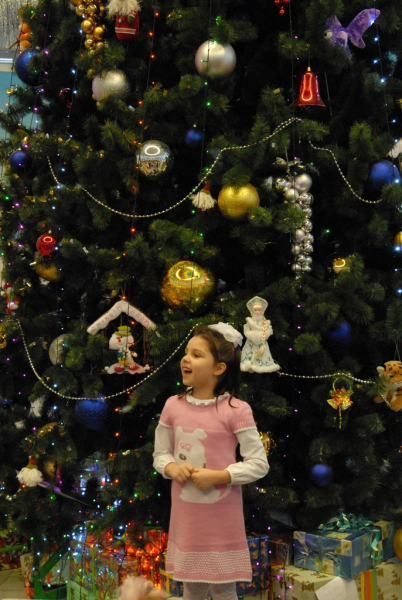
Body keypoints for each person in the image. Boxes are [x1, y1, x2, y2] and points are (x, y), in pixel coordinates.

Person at [153, 323, 269, 600]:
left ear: (219, 368)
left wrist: (219, 476)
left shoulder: (236, 410)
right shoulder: (173, 406)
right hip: (187, 521)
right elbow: (161, 454)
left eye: (196, 355)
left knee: (223, 588)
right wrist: (172, 468)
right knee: (191, 587)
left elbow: (258, 463)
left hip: (221, 522)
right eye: (186, 353)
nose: (186, 359)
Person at [240, 296, 280, 373]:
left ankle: (262, 364)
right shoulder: (250, 321)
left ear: (262, 311)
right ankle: (248, 363)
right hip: (251, 341)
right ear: (252, 311)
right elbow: (246, 330)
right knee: (250, 352)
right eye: (255, 310)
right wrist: (251, 335)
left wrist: (265, 335)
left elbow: (269, 330)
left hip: (262, 340)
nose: (257, 312)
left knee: (263, 353)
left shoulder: (265, 322)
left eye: (259, 310)